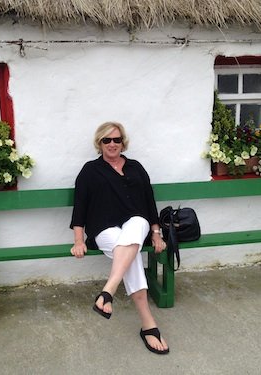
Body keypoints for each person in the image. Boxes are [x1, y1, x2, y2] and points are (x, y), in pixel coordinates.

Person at [70, 121, 169, 355]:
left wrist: (156, 233)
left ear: (123, 142)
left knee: (136, 224)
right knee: (129, 253)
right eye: (107, 140)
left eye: (116, 139)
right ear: (99, 143)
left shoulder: (135, 167)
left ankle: (108, 291)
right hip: (104, 230)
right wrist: (78, 240)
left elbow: (149, 202)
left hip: (138, 225)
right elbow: (80, 208)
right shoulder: (89, 170)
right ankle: (148, 324)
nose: (112, 144)